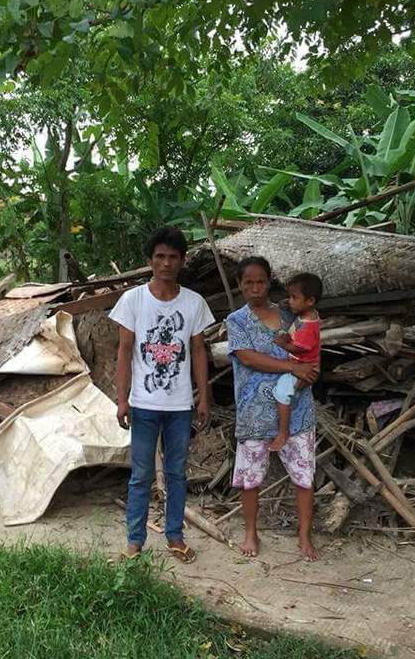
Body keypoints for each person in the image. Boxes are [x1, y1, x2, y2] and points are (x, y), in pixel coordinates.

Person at [109, 226, 215, 563]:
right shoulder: (133, 300)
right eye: (160, 256)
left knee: (177, 474)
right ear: (150, 260)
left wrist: (203, 396)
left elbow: (198, 352)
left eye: (172, 257)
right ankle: (134, 542)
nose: (166, 263)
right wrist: (122, 399)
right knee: (140, 476)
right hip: (143, 404)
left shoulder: (194, 303)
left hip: (180, 406)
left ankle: (175, 537)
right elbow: (124, 351)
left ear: (182, 260)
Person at [226, 256, 320, 561]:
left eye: (261, 282)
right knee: (250, 477)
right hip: (254, 412)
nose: (255, 288)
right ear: (240, 285)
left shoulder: (291, 313)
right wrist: (292, 368)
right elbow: (247, 357)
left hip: (297, 410)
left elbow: (312, 342)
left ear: (269, 283)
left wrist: (309, 367)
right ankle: (251, 532)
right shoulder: (237, 321)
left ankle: (304, 535)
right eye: (248, 282)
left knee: (303, 475)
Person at [269, 273, 323, 453]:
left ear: (310, 301)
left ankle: (283, 433)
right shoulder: (306, 314)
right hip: (302, 364)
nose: (290, 301)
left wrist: (284, 344)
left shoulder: (308, 326)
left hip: (305, 368)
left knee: (281, 393)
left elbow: (300, 348)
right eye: (289, 297)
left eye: (294, 297)